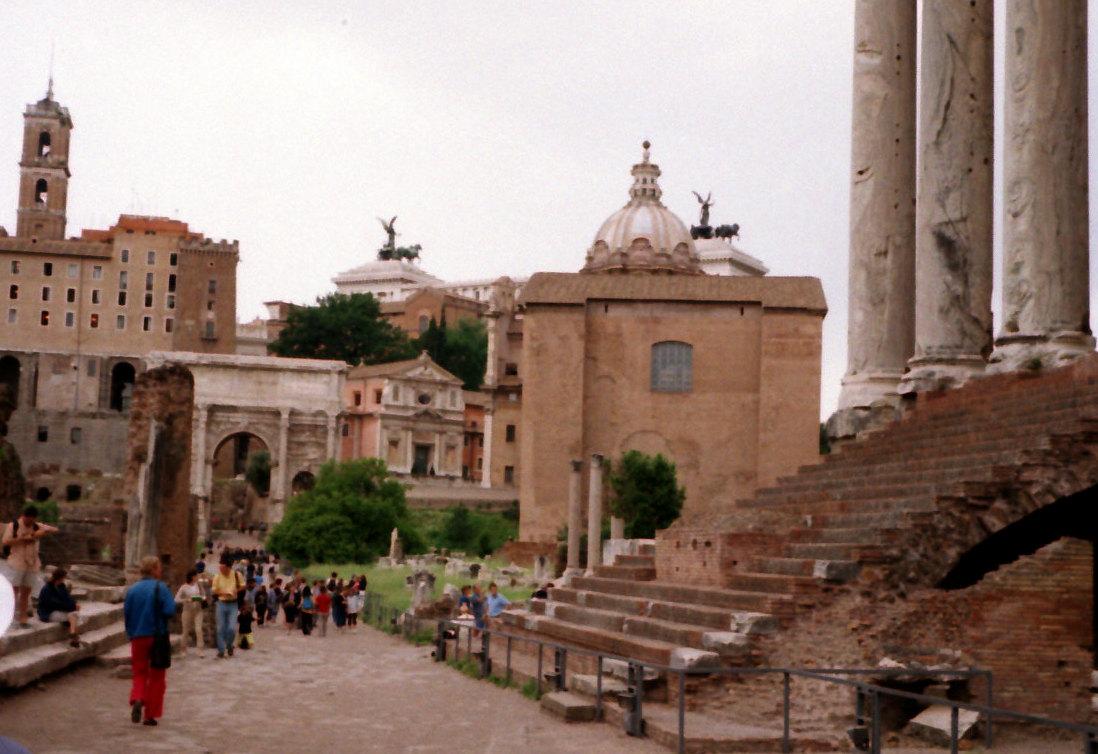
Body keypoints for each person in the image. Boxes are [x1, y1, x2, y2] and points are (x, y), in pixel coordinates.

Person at [123, 555, 175, 726]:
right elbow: (169, 610)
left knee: (139, 672)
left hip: (138, 636)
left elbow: (127, 614)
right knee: (157, 676)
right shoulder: (161, 588)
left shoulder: (132, 590)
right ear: (153, 569)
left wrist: (131, 633)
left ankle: (138, 697)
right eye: (159, 567)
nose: (161, 570)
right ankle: (150, 715)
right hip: (157, 636)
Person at [2, 506, 58, 629]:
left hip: (32, 563)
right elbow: (5, 542)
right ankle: (8, 617)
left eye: (32, 519)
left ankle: (23, 618)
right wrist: (23, 539)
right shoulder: (14, 526)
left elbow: (55, 529)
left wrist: (40, 532)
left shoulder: (36, 526)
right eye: (28, 519)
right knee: (13, 592)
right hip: (17, 562)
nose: (30, 522)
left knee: (26, 593)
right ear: (24, 516)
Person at [37, 567, 82, 647]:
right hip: (48, 612)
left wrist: (74, 604)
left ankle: (73, 636)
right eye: (64, 577)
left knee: (73, 615)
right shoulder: (47, 588)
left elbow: (67, 598)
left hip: (59, 610)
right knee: (74, 616)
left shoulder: (61, 586)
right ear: (60, 578)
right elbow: (52, 604)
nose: (64, 579)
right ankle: (74, 638)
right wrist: (71, 607)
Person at [211, 558, 244, 658]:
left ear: (228, 567)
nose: (220, 569)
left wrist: (236, 591)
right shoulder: (217, 576)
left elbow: (243, 586)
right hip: (221, 603)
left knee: (231, 628)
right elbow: (214, 590)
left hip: (233, 604)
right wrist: (224, 592)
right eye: (220, 567)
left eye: (223, 567)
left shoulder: (237, 575)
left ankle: (229, 645)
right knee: (220, 628)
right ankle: (221, 650)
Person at [174, 570, 206, 658]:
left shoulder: (199, 585)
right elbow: (176, 599)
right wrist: (186, 600)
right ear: (192, 577)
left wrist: (201, 598)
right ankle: (183, 649)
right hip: (187, 611)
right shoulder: (184, 587)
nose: (197, 577)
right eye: (196, 576)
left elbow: (204, 595)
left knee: (198, 629)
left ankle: (200, 650)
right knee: (185, 631)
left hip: (198, 610)